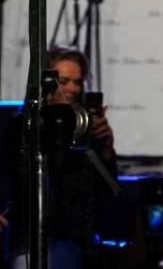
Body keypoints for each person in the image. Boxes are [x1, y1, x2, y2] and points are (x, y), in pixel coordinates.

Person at [1, 45, 117, 268]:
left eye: (77, 82)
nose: (72, 88)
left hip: (77, 240)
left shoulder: (86, 127)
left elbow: (108, 189)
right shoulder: (23, 126)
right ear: (45, 83)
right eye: (64, 81)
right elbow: (10, 177)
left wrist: (106, 149)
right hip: (30, 237)